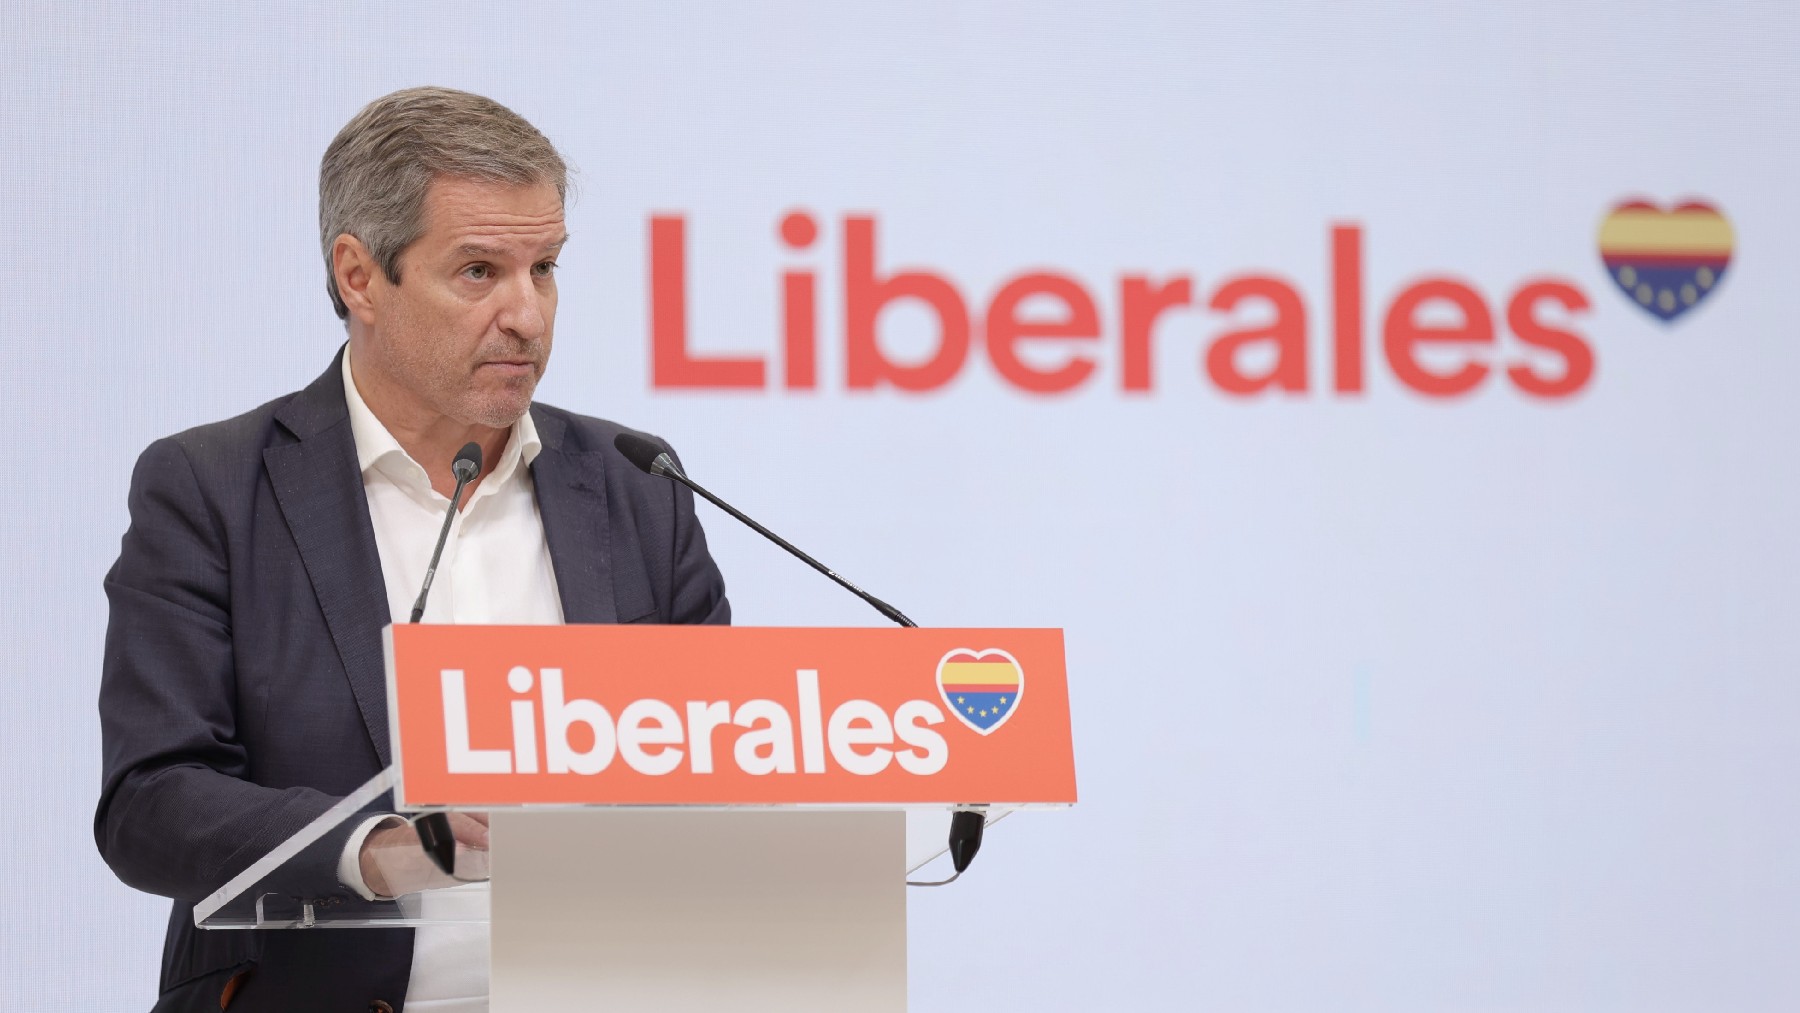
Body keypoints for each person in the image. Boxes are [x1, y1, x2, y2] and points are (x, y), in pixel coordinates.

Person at [94, 86, 730, 1012]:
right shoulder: (211, 488)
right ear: (360, 276)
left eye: (544, 268)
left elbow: (715, 773)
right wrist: (381, 847)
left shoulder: (639, 487)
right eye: (479, 272)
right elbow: (150, 801)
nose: (529, 316)